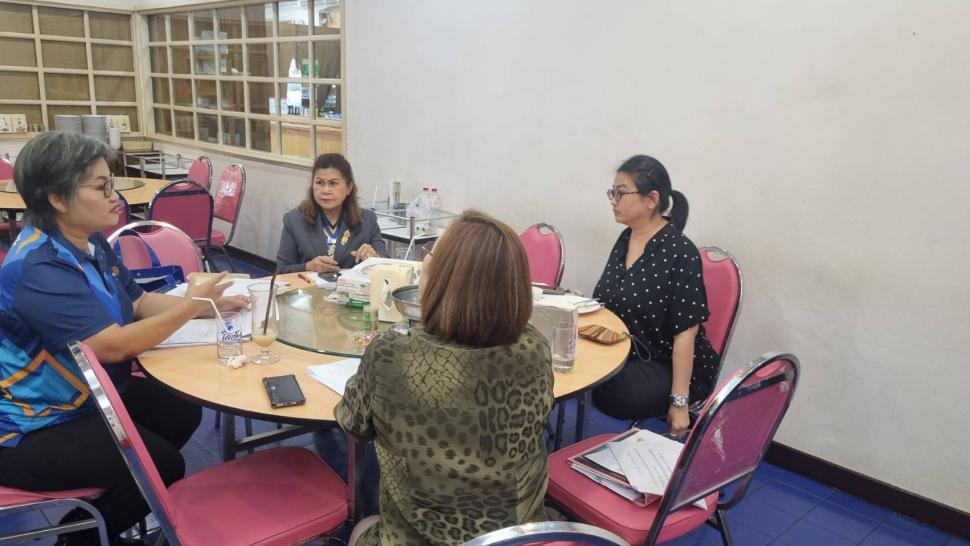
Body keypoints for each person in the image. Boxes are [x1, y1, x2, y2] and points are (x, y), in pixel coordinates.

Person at [0, 132, 248, 546]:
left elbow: (136, 301)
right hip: (30, 424)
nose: (114, 196)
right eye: (101, 186)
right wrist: (191, 305)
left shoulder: (89, 241)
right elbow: (113, 346)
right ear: (57, 198)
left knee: (181, 411)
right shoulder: (37, 267)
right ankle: (79, 538)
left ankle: (114, 505)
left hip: (87, 397)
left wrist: (209, 305)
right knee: (161, 465)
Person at [337, 210, 554, 546]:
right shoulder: (534, 348)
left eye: (430, 255)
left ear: (442, 278)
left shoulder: (392, 354)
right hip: (512, 537)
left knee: (362, 527)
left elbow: (353, 424)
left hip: (415, 538)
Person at [591, 155, 719, 438]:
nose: (613, 200)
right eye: (612, 193)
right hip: (628, 350)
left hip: (666, 361)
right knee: (579, 362)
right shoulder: (626, 238)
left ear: (651, 200)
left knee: (612, 389)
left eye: (621, 193)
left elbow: (685, 334)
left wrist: (679, 401)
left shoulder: (681, 252)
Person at [276, 153, 387, 273]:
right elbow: (282, 270)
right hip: (308, 285)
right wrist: (308, 267)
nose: (325, 191)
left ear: (349, 188)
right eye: (319, 183)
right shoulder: (294, 221)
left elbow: (386, 262)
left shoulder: (367, 220)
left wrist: (375, 257)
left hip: (352, 285)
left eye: (333, 183)